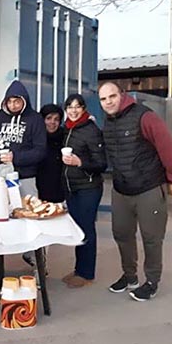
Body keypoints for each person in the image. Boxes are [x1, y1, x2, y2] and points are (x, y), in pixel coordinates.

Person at [99, 81, 172, 301]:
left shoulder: (144, 117)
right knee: (122, 234)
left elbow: (167, 147)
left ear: (122, 95)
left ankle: (152, 282)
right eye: (103, 99)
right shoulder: (108, 122)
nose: (108, 102)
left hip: (149, 188)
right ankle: (130, 276)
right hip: (121, 190)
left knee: (151, 238)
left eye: (112, 96)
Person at [59, 94, 107, 288]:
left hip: (88, 187)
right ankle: (80, 269)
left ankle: (87, 274)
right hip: (72, 188)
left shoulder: (91, 130)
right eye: (70, 107)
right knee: (77, 229)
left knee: (86, 228)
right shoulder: (67, 128)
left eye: (77, 107)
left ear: (84, 108)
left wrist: (80, 162)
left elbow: (101, 163)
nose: (73, 110)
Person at [0, 79, 47, 197]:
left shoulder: (35, 119)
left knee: (27, 211)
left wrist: (16, 157)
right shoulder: (0, 115)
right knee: (0, 210)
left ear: (24, 101)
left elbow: (40, 151)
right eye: (9, 102)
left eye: (17, 102)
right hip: (0, 176)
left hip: (25, 177)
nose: (13, 105)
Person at [36, 104, 65, 203]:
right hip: (39, 188)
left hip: (60, 189)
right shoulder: (35, 137)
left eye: (56, 119)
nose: (52, 122)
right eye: (49, 118)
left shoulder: (65, 136)